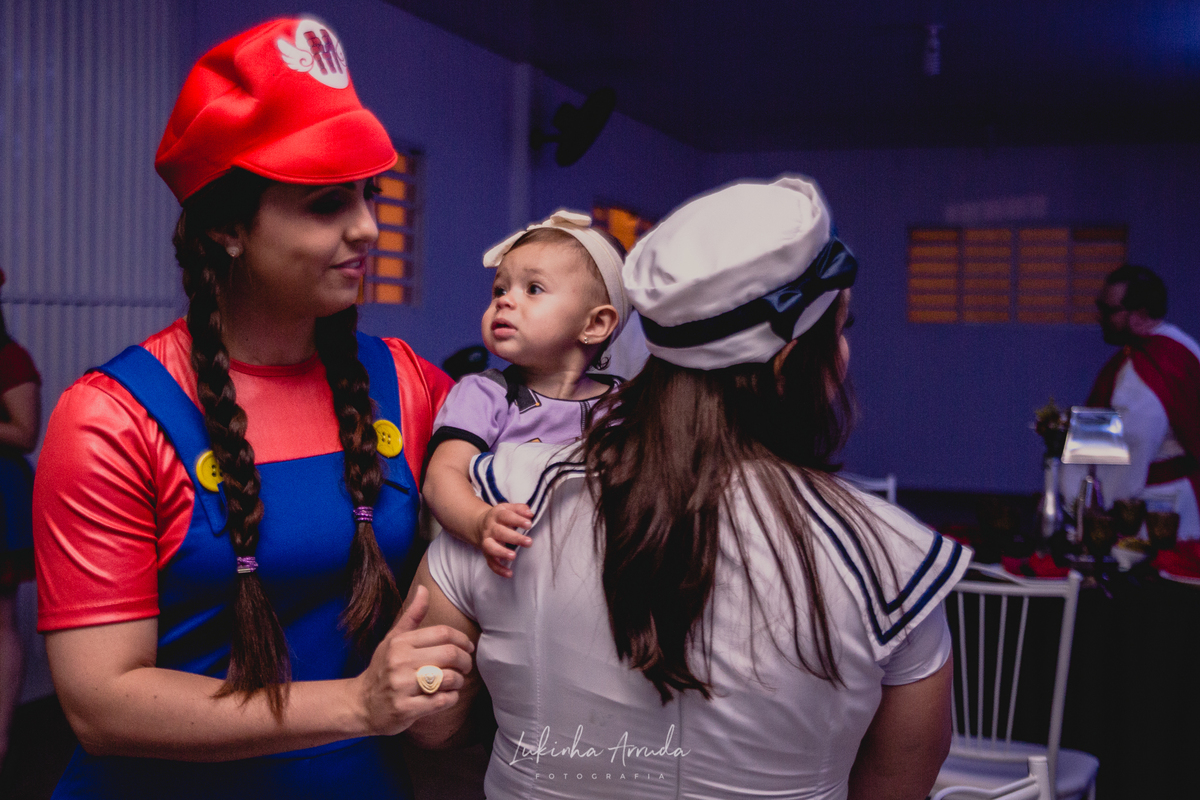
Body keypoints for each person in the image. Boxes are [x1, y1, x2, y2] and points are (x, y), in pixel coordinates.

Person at [404, 176, 971, 799]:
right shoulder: (889, 558)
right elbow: (895, 783)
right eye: (840, 331)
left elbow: (430, 717)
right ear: (788, 365)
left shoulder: (504, 494)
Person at [32, 18, 473, 799]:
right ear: (228, 228)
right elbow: (101, 702)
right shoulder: (112, 420)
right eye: (326, 204)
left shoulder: (407, 384)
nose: (367, 227)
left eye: (369, 195)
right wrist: (358, 704)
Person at [423, 210, 630, 578]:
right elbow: (441, 476)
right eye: (500, 289)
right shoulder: (485, 394)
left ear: (596, 324)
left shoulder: (623, 407)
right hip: (486, 572)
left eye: (533, 289)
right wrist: (479, 521)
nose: (504, 301)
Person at [1084, 264, 1199, 540]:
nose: (1099, 317)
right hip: (1180, 499)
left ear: (1140, 314)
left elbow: (1131, 446)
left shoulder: (1145, 370)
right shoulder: (1182, 346)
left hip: (1152, 511)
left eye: (1108, 310)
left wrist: (1099, 509)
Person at [0, 268, 41, 770]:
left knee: (1, 617)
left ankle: (1, 736)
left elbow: (26, 432)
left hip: (2, 495)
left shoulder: (10, 358)